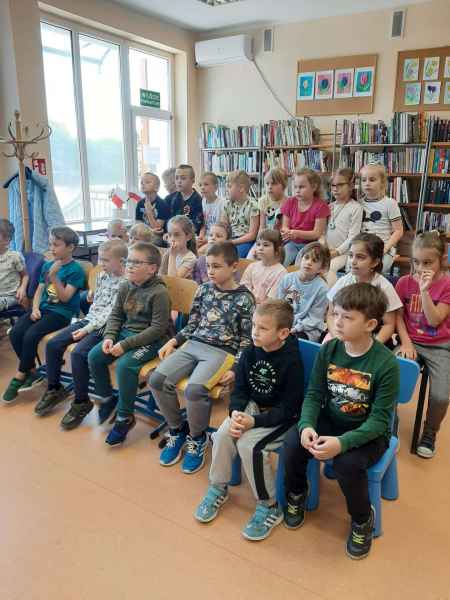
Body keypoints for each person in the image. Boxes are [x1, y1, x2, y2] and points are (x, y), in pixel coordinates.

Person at [283, 283, 399, 560]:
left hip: (370, 433)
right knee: (292, 443)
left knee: (347, 463)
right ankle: (297, 493)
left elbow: (380, 421)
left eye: (347, 317)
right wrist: (308, 425)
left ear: (370, 324)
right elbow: (314, 394)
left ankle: (361, 519)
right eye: (336, 313)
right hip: (332, 419)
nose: (337, 321)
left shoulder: (385, 364)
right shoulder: (330, 350)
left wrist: (342, 443)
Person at [194, 299, 304, 541]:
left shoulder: (291, 360)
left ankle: (269, 505)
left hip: (283, 416)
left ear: (283, 333)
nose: (255, 331)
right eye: (254, 325)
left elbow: (290, 408)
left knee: (250, 446)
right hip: (252, 408)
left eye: (263, 328)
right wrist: (235, 413)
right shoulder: (250, 351)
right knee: (222, 435)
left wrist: (254, 422)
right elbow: (240, 389)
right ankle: (218, 487)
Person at [148, 241, 255, 474]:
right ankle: (177, 431)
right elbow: (193, 325)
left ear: (234, 266)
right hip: (194, 344)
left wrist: (236, 368)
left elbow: (247, 340)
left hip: (222, 351)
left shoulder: (245, 299)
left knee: (195, 390)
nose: (210, 271)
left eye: (217, 266)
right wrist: (173, 340)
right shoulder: (204, 289)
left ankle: (197, 438)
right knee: (156, 379)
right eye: (208, 266)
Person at [33, 239, 127, 427]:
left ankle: (81, 401)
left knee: (78, 354)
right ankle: (54, 388)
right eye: (101, 259)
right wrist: (93, 296)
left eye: (106, 260)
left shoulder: (126, 283)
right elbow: (98, 305)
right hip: (90, 320)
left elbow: (111, 314)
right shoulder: (102, 276)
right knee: (53, 345)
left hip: (105, 327)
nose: (101, 263)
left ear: (122, 262)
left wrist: (85, 329)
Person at [87, 242, 171, 446]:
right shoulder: (125, 285)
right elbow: (116, 315)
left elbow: (158, 329)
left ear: (152, 268)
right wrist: (109, 336)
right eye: (128, 262)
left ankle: (125, 417)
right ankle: (108, 398)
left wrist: (125, 345)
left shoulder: (159, 293)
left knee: (125, 365)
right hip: (126, 333)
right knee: (94, 356)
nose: (130, 266)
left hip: (152, 339)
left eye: (136, 262)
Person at [4, 227, 85, 403]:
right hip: (43, 309)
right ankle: (31, 371)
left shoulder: (75, 270)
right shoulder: (48, 265)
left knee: (31, 335)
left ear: (70, 247)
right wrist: (34, 308)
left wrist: (54, 277)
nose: (52, 248)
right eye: (50, 244)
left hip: (62, 313)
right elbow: (40, 290)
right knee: (16, 332)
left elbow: (64, 298)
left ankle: (20, 374)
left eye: (56, 245)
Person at [395, 231, 450, 459]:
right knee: (389, 379)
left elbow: (435, 319)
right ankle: (388, 423)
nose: (420, 268)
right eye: (416, 261)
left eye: (427, 262)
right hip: (410, 342)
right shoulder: (403, 282)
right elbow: (398, 316)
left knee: (441, 396)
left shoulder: (446, 285)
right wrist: (406, 342)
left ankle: (429, 433)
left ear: (442, 260)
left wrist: (424, 290)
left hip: (440, 346)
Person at [327, 233, 402, 345]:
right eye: (351, 255)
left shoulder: (384, 287)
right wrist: (337, 336)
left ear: (375, 262)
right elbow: (330, 315)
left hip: (372, 337)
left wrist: (370, 347)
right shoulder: (343, 282)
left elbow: (389, 325)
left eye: (360, 257)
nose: (353, 261)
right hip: (341, 333)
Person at [277, 242, 329, 342]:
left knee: (289, 340)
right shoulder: (287, 278)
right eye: (306, 257)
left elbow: (314, 319)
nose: (309, 262)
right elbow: (279, 305)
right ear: (300, 259)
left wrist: (295, 328)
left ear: (321, 268)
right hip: (285, 323)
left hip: (307, 330)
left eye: (314, 260)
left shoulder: (322, 288)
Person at [280, 168, 330, 266]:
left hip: (310, 246)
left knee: (300, 266)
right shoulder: (290, 202)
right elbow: (284, 226)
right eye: (295, 187)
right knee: (282, 263)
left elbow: (317, 233)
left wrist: (297, 233)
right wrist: (286, 232)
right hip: (292, 243)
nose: (297, 191)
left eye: (302, 187)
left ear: (314, 187)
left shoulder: (321, 206)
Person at [360, 163, 403, 274]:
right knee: (353, 271)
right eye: (364, 180)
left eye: (372, 180)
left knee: (373, 272)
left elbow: (398, 231)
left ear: (383, 183)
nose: (367, 183)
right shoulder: (358, 204)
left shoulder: (390, 204)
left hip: (383, 247)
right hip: (362, 247)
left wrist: (385, 248)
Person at [325, 168, 363, 286]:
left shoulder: (356, 208)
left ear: (351, 186)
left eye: (340, 185)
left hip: (344, 252)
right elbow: (323, 231)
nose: (335, 189)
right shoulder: (329, 206)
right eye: (333, 185)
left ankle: (331, 299)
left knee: (329, 268)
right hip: (327, 250)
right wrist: (325, 248)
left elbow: (353, 236)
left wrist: (336, 252)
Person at [247, 168, 288, 260]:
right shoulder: (263, 201)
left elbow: (285, 230)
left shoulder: (288, 202)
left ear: (283, 186)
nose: (269, 187)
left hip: (280, 241)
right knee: (250, 258)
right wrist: (257, 244)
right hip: (264, 239)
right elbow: (262, 226)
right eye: (267, 184)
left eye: (274, 184)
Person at [240, 229, 286, 304]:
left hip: (265, 310)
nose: (260, 248)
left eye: (266, 245)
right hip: (247, 305)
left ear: (277, 250)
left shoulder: (281, 272)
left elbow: (272, 300)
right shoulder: (252, 266)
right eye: (258, 244)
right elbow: (243, 288)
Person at [223, 170, 260, 258]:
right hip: (230, 240)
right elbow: (223, 226)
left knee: (233, 258)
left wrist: (232, 242)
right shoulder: (228, 205)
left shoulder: (253, 205)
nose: (227, 190)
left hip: (245, 241)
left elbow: (252, 235)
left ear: (241, 188)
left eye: (229, 186)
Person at [166, 164, 204, 236]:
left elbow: (196, 225)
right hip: (170, 235)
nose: (179, 181)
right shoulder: (169, 199)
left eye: (183, 178)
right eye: (176, 178)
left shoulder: (199, 201)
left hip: (189, 237)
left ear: (193, 180)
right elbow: (165, 221)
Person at [135, 172, 170, 246]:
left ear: (156, 187)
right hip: (143, 235)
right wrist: (149, 230)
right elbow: (138, 225)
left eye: (147, 182)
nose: (143, 184)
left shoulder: (162, 204)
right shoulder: (140, 203)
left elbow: (158, 228)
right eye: (141, 183)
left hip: (158, 237)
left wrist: (149, 213)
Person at [0, 219, 28, 311]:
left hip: (10, 296)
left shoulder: (14, 256)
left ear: (7, 240)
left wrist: (22, 288)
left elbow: (25, 275)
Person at [198, 172, 225, 252]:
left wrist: (208, 239)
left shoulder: (222, 203)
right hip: (206, 236)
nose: (202, 187)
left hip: (216, 238)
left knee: (200, 252)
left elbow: (223, 228)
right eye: (200, 185)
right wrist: (201, 236)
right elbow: (203, 224)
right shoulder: (202, 202)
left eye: (206, 184)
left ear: (216, 187)